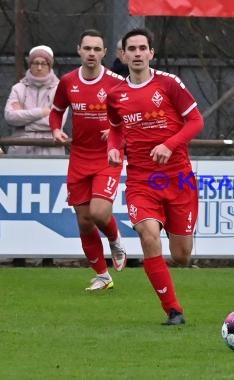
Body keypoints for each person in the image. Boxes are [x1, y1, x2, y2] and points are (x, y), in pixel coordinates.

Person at [106, 28, 204, 325]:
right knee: (148, 236)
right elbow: (115, 128)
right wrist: (113, 149)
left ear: (151, 53)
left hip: (179, 179)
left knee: (182, 255)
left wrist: (169, 144)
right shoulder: (116, 95)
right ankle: (173, 310)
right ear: (123, 55)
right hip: (140, 182)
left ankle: (174, 294)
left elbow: (196, 121)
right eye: (131, 49)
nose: (137, 53)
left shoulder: (169, 84)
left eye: (142, 48)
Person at [49, 29, 128, 291]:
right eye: (87, 48)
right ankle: (103, 276)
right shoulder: (68, 81)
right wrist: (56, 130)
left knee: (98, 212)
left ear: (104, 53)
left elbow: (132, 116)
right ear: (79, 50)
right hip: (79, 157)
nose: (92, 53)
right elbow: (56, 111)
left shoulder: (117, 82)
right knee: (83, 220)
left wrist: (116, 131)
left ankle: (116, 240)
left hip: (109, 157)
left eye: (97, 49)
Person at [4, 45, 65, 155]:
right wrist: (41, 112)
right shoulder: (18, 88)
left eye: (44, 63)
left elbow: (58, 122)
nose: (39, 67)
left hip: (51, 151)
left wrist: (24, 123)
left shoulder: (60, 89)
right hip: (20, 151)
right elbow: (10, 117)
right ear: (30, 65)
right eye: (36, 63)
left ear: (50, 66)